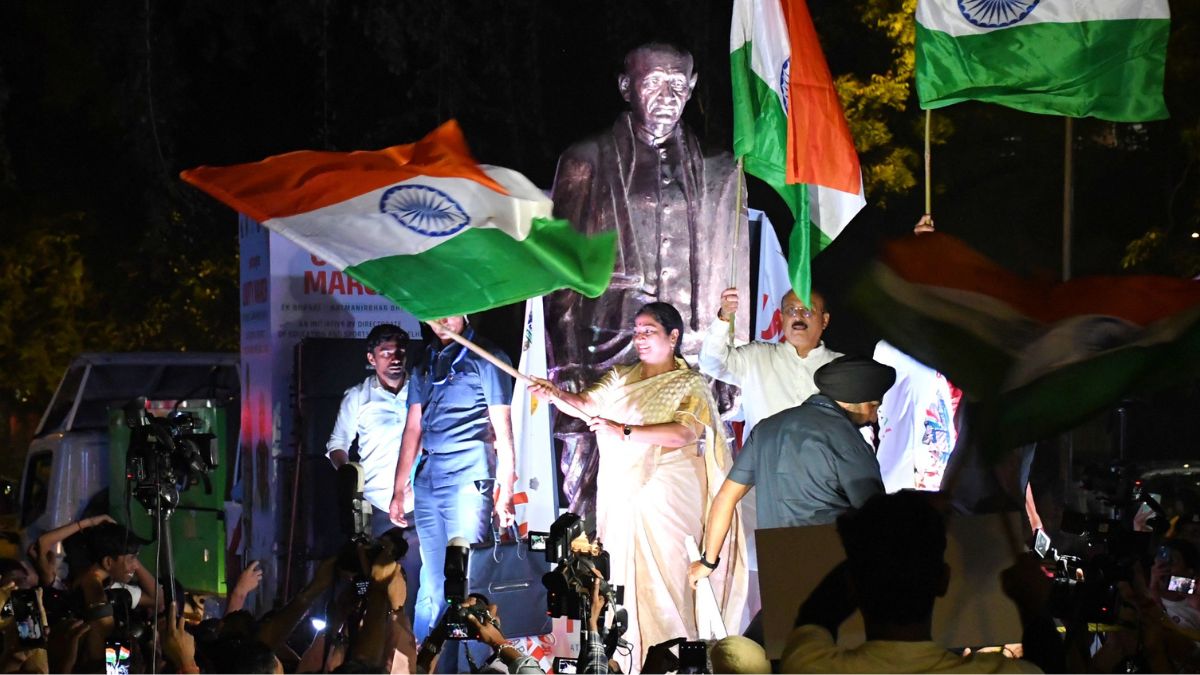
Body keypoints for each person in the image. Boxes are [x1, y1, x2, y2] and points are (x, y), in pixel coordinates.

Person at [548, 42, 750, 516]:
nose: (666, 94)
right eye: (653, 82)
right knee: (594, 495)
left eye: (677, 84)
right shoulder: (587, 161)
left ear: (692, 87)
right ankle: (594, 583)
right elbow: (561, 275)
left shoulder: (721, 170)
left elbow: (733, 270)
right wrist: (566, 361)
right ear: (626, 87)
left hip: (692, 353)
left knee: (685, 494)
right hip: (611, 347)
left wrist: (731, 360)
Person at [531, 302, 749, 671]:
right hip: (622, 495)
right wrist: (555, 394)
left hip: (669, 496)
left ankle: (678, 661)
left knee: (669, 582)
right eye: (637, 331)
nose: (640, 338)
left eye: (649, 331)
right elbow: (585, 404)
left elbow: (683, 432)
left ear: (673, 336)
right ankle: (632, 662)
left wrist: (625, 431)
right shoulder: (620, 375)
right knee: (623, 584)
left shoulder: (689, 382)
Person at [782, 490, 1057, 673]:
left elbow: (816, 614)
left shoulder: (810, 666)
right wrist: (1032, 607)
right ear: (943, 580)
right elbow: (1048, 666)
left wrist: (897, 524)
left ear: (853, 583)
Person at [689, 355, 895, 589]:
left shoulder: (767, 429)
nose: (873, 418)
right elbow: (877, 518)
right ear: (853, 399)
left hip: (777, 566)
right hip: (834, 571)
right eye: (873, 406)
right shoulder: (850, 442)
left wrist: (708, 561)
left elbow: (726, 497)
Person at [388, 316, 517, 644]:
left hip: (468, 480)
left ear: (466, 313)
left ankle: (465, 660)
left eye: (451, 312)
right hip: (428, 481)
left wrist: (507, 488)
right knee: (431, 581)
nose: (443, 320)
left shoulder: (487, 357)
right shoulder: (425, 359)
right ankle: (424, 658)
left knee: (465, 576)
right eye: (436, 313)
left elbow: (503, 427)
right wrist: (398, 488)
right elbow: (413, 427)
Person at [326, 322, 421, 618]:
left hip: (420, 505)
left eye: (399, 352)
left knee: (419, 583)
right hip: (377, 508)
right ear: (372, 358)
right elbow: (336, 443)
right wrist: (349, 480)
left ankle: (415, 646)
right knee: (376, 584)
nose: (394, 359)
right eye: (386, 352)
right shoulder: (358, 396)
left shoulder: (422, 388)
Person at [699, 287, 840, 435]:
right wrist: (724, 318)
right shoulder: (756, 356)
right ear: (781, 318)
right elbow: (711, 362)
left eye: (807, 310)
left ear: (824, 320)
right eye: (791, 310)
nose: (798, 316)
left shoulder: (840, 367)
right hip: (762, 457)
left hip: (820, 458)